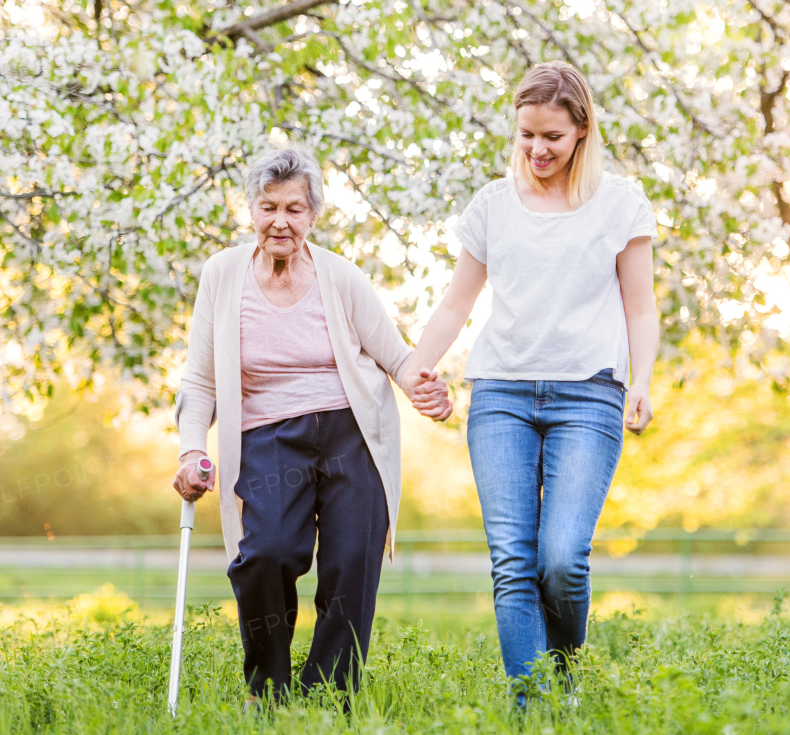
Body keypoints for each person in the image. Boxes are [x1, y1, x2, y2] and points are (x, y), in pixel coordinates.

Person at [403, 61, 660, 702]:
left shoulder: (620, 203)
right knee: (513, 562)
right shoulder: (492, 205)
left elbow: (640, 306)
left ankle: (563, 679)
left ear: (581, 131)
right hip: (500, 395)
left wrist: (643, 380)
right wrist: (413, 367)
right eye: (526, 136)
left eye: (551, 136)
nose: (538, 150)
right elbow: (455, 304)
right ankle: (532, 709)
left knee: (562, 558)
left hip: (589, 393)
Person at [172, 145, 450, 706]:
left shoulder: (341, 277)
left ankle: (329, 696)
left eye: (294, 209)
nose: (280, 221)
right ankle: (267, 690)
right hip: (269, 437)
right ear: (251, 208)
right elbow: (200, 381)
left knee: (351, 565)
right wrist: (188, 450)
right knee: (267, 554)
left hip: (352, 433)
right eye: (268, 206)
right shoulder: (223, 276)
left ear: (313, 215)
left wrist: (424, 388)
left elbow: (395, 358)